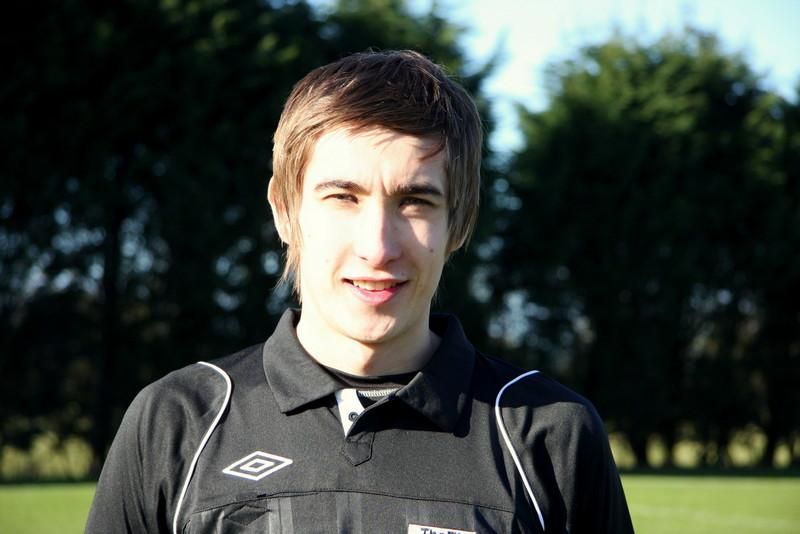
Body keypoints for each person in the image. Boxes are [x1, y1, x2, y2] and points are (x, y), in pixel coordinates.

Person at [86, 50, 633, 534]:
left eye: (415, 202)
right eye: (342, 197)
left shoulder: (549, 433)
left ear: (459, 222)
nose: (378, 247)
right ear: (284, 211)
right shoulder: (179, 420)